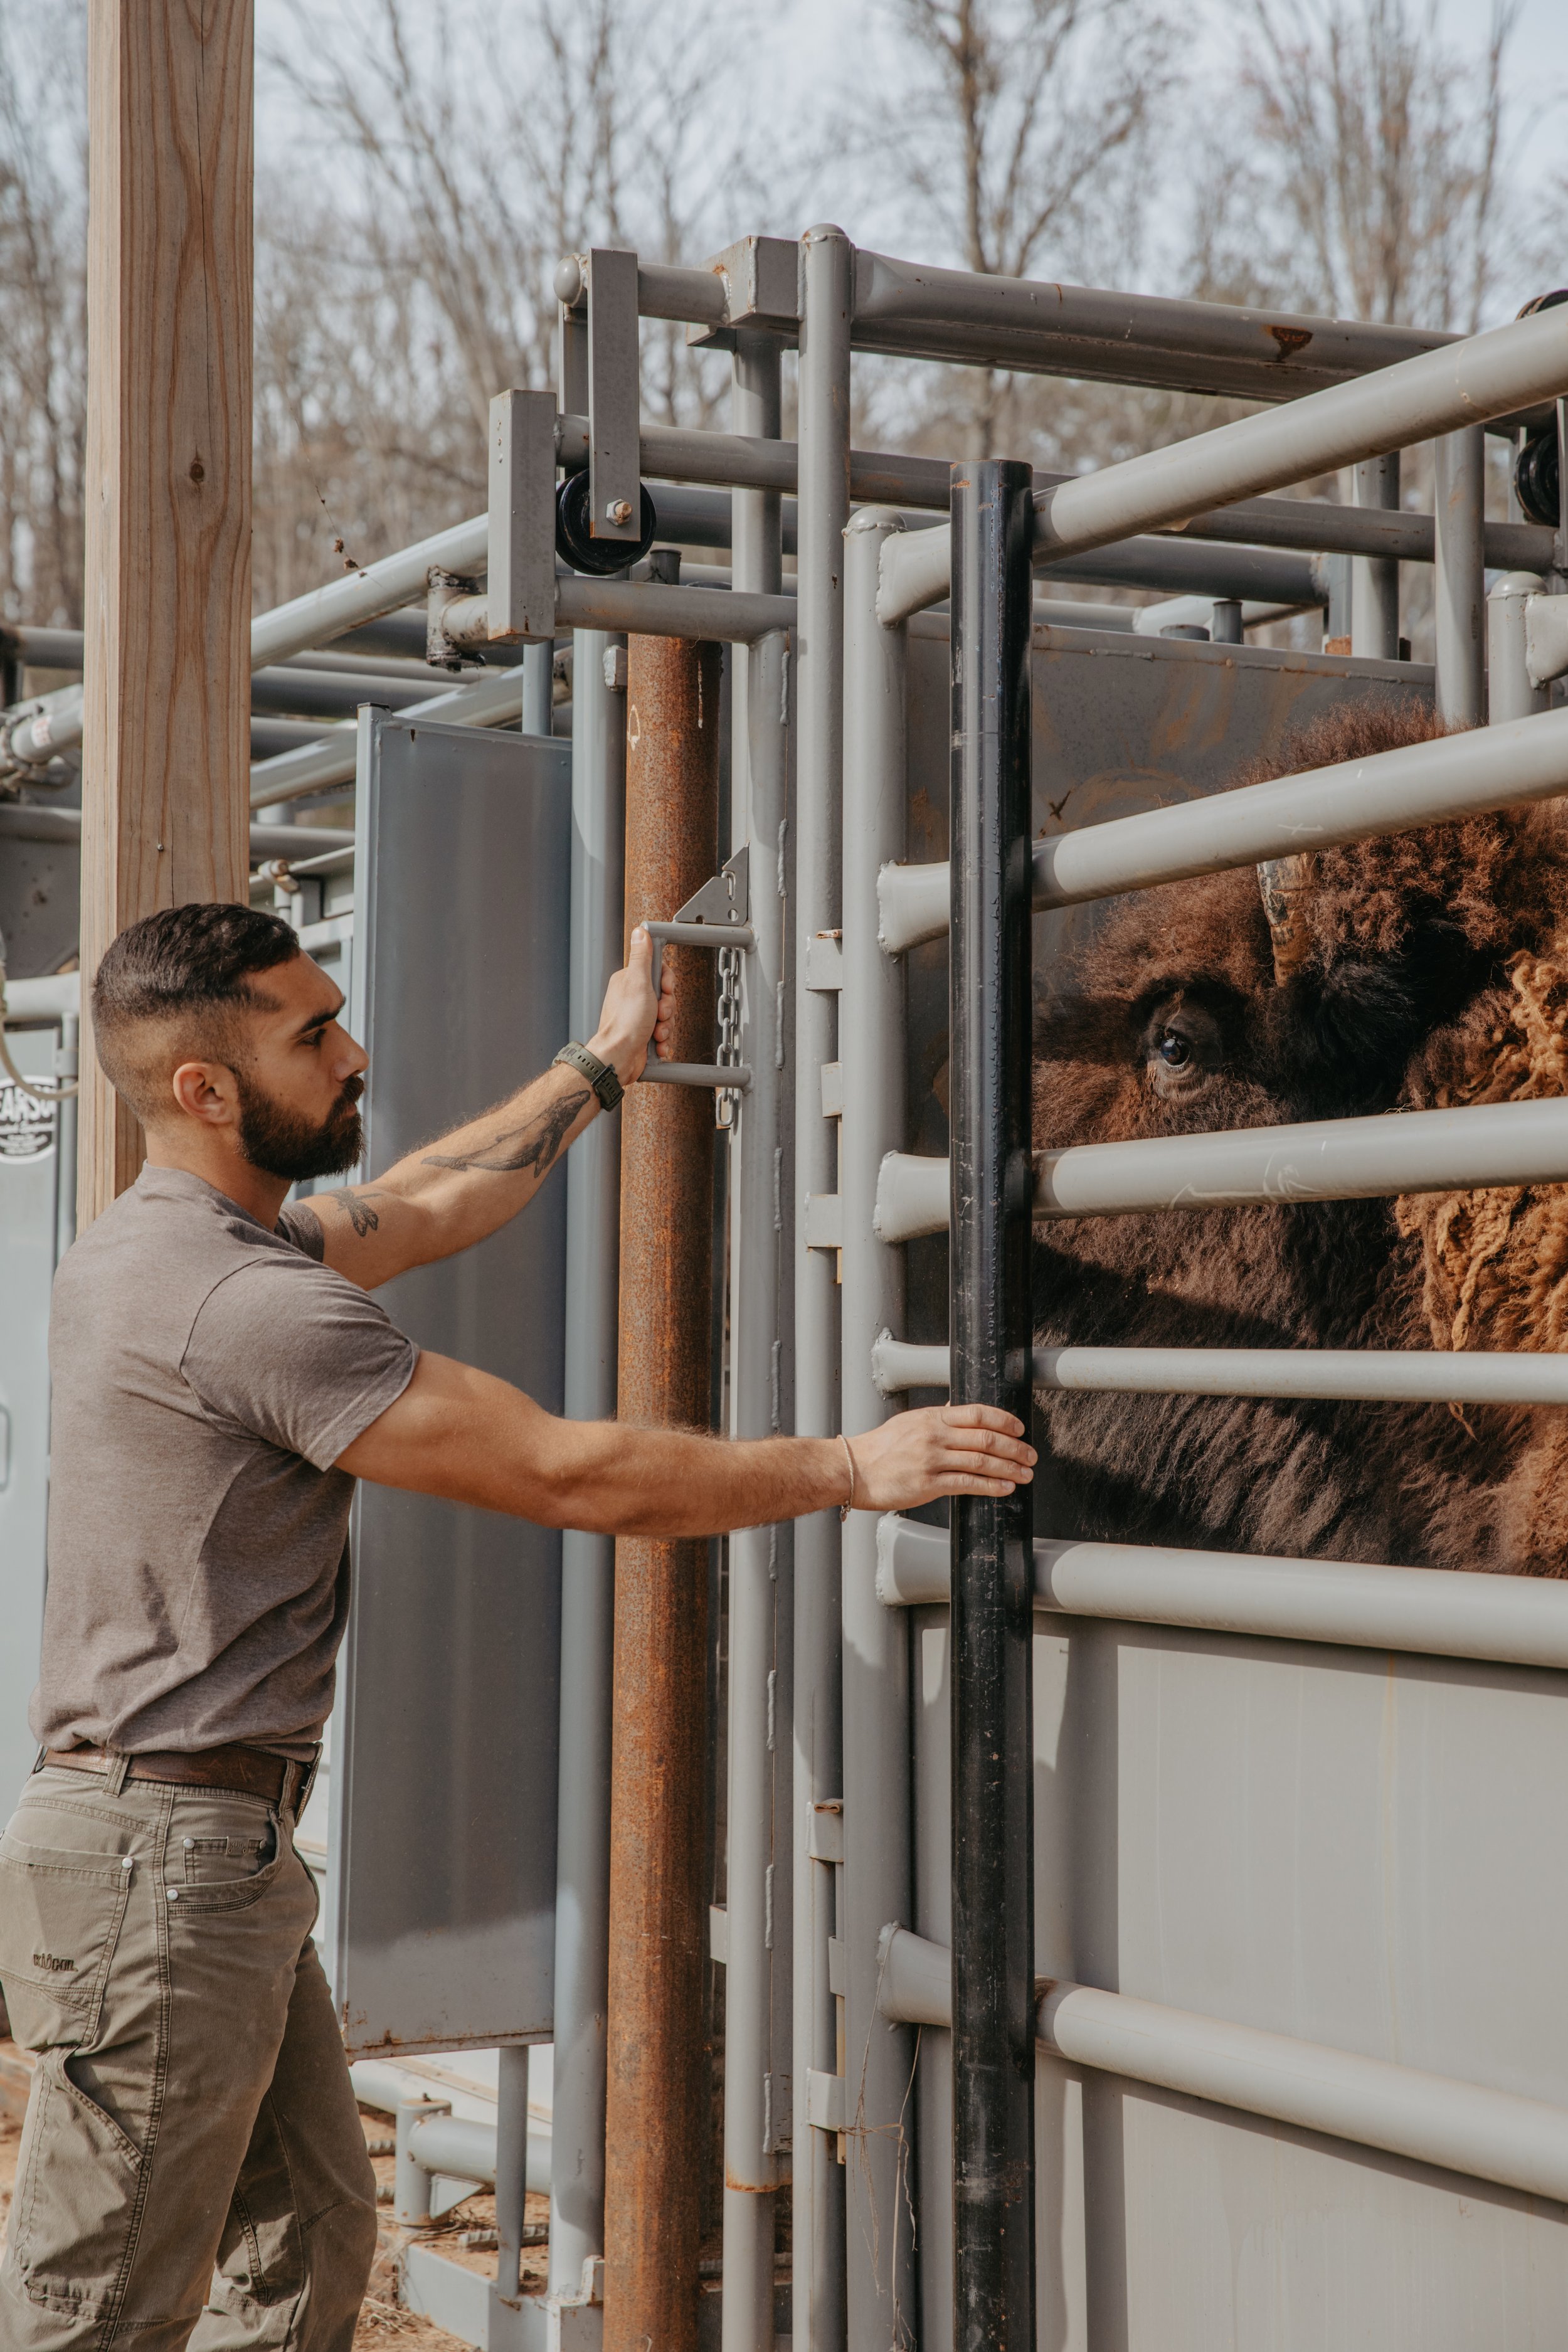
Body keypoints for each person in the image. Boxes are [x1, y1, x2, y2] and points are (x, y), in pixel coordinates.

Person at [0, 901, 1032, 2351]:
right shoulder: (245, 1304)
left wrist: (599, 1065)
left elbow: (422, 1201)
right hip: (160, 1870)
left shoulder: (175, 1246)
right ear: (205, 1090)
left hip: (190, 1852)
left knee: (304, 2234)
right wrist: (852, 1468)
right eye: (314, 1036)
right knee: (98, 2306)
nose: (354, 1051)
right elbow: (565, 1470)